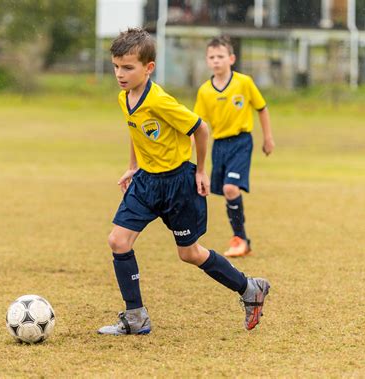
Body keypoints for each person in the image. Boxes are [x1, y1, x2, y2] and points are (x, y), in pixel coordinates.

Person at [98, 28, 270, 336]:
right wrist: (132, 166)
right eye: (116, 66)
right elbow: (135, 131)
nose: (120, 74)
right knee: (117, 241)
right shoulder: (125, 99)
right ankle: (136, 317)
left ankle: (250, 288)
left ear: (148, 68)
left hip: (178, 183)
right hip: (146, 184)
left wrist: (201, 171)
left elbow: (200, 128)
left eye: (128, 67)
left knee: (189, 253)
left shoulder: (160, 101)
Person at [194, 36, 275, 258]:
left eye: (220, 56)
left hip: (241, 141)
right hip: (219, 145)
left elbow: (262, 108)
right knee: (224, 192)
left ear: (231, 58)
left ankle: (239, 239)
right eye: (212, 57)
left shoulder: (244, 83)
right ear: (207, 61)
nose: (216, 61)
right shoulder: (205, 91)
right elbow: (198, 125)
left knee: (231, 188)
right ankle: (242, 240)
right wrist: (187, 150)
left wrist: (268, 138)